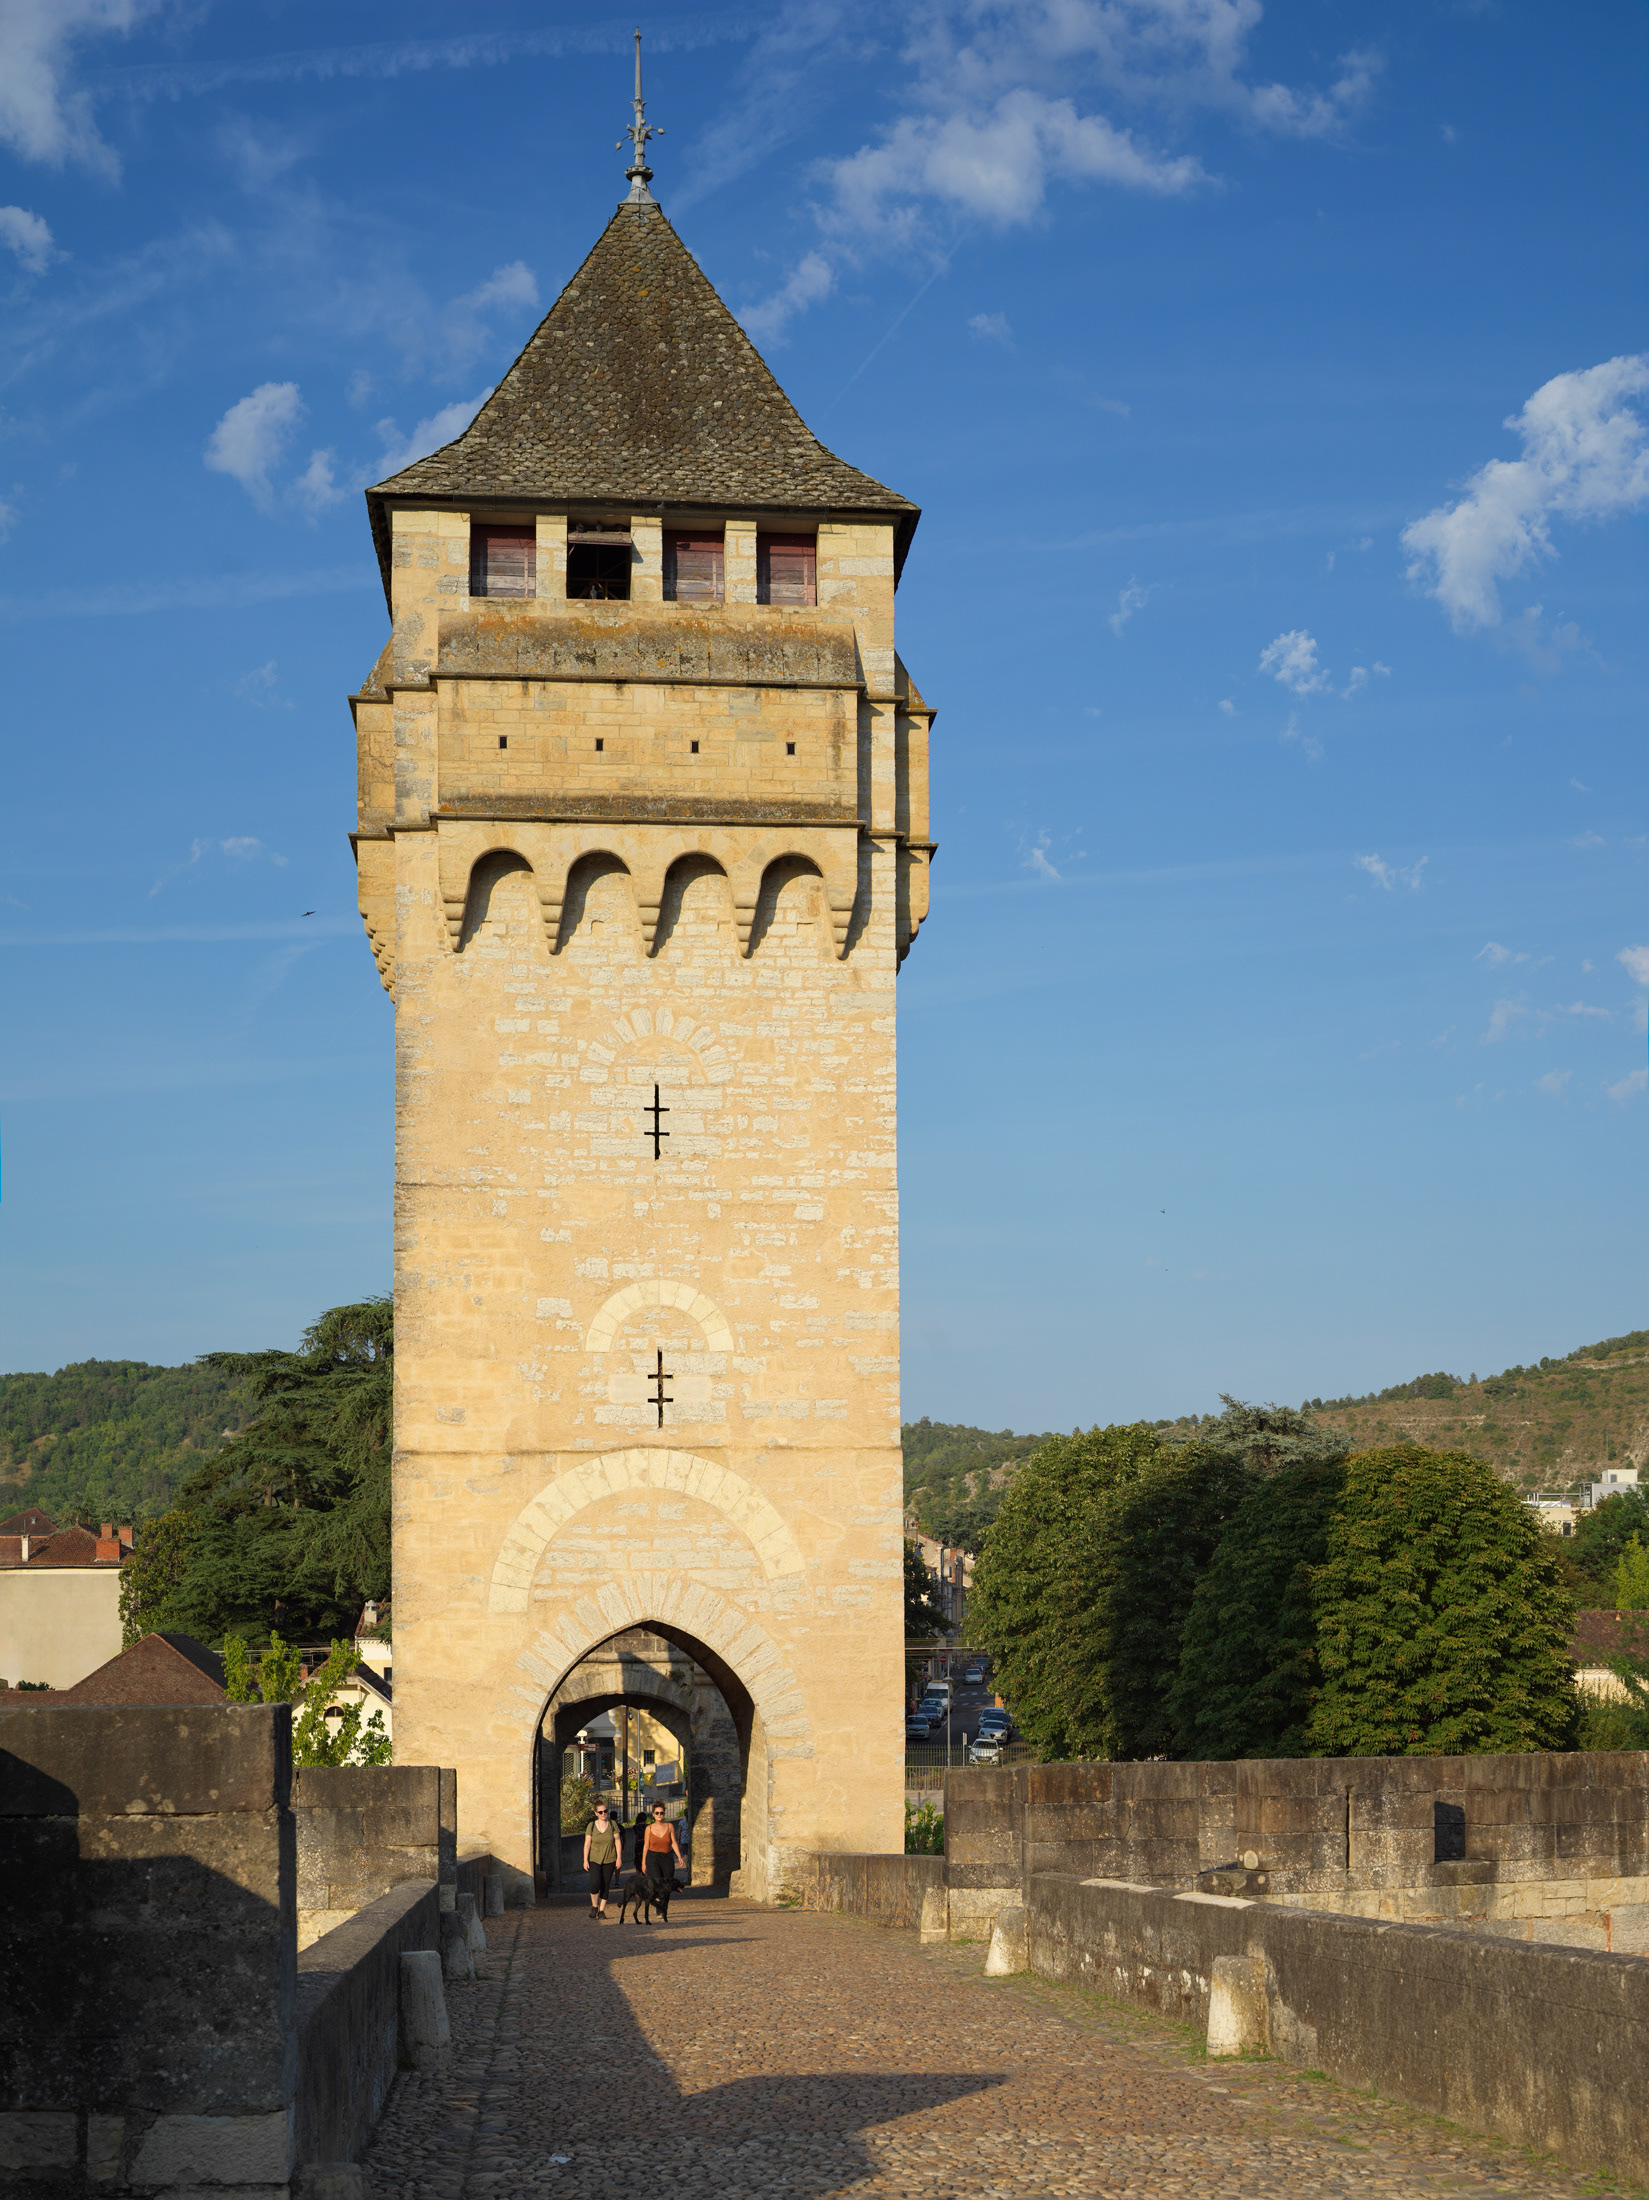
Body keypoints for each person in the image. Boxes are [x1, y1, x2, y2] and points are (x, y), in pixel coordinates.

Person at [641, 1800, 684, 1922]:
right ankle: (659, 1909)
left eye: (661, 1813)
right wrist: (643, 1862)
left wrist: (679, 1856)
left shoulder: (669, 1826)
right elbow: (645, 1846)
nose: (659, 1815)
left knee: (668, 1884)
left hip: (667, 1857)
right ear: (653, 1814)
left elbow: (674, 1842)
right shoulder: (648, 1829)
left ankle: (664, 1908)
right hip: (653, 1858)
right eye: (657, 1813)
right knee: (656, 1883)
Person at [583, 1801, 618, 1920]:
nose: (604, 1814)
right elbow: (587, 1844)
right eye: (601, 1812)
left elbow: (617, 1841)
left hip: (610, 1859)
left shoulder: (612, 1824)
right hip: (595, 1859)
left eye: (605, 1811)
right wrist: (585, 1860)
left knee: (605, 1885)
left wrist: (619, 1858)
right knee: (595, 1883)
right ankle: (594, 1906)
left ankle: (601, 1910)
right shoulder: (591, 1826)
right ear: (596, 1813)